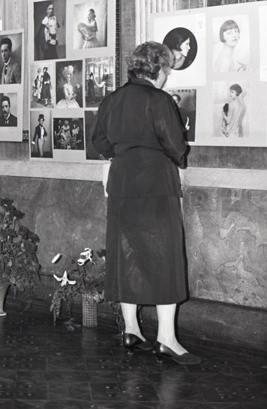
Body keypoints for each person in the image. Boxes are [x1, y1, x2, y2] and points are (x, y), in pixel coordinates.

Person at [92, 41, 200, 365]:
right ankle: (166, 339)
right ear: (159, 69)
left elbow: (99, 142)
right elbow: (176, 147)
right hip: (155, 184)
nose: (167, 76)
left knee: (126, 254)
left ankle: (131, 330)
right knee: (165, 258)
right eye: (166, 69)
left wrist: (124, 154)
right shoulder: (159, 100)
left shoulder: (112, 100)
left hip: (122, 183)